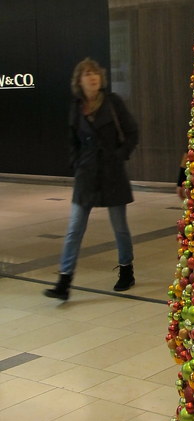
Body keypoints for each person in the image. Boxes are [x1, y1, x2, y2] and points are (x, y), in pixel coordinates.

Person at [45, 58, 139, 301]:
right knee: (74, 228)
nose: (93, 77)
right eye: (87, 74)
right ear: (79, 80)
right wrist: (76, 164)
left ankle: (126, 270)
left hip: (112, 171)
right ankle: (64, 281)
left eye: (95, 73)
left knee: (120, 227)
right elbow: (72, 140)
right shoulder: (76, 107)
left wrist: (120, 155)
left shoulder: (112, 102)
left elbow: (132, 132)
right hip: (87, 173)